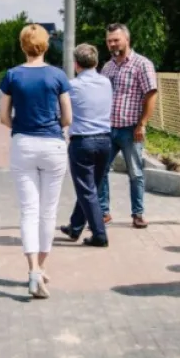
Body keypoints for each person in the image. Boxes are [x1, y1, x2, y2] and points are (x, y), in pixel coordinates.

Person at [0, 23, 72, 299]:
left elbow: (4, 116)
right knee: (48, 210)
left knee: (28, 210)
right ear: (46, 45)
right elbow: (68, 117)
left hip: (23, 145)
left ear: (22, 45)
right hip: (53, 144)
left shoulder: (12, 75)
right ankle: (41, 268)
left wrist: (21, 127)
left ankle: (31, 271)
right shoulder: (57, 76)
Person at [97, 23, 158, 229]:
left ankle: (138, 214)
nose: (112, 44)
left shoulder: (142, 64)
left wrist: (142, 124)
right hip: (108, 128)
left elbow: (151, 94)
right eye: (109, 41)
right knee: (101, 170)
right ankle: (103, 212)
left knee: (136, 173)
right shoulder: (107, 67)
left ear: (127, 39)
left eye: (116, 39)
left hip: (131, 129)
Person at [60, 43, 113, 247]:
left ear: (76, 64)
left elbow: (63, 112)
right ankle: (75, 226)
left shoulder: (72, 86)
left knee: (87, 190)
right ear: (96, 62)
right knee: (91, 188)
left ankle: (100, 235)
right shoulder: (106, 83)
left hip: (83, 142)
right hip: (105, 141)